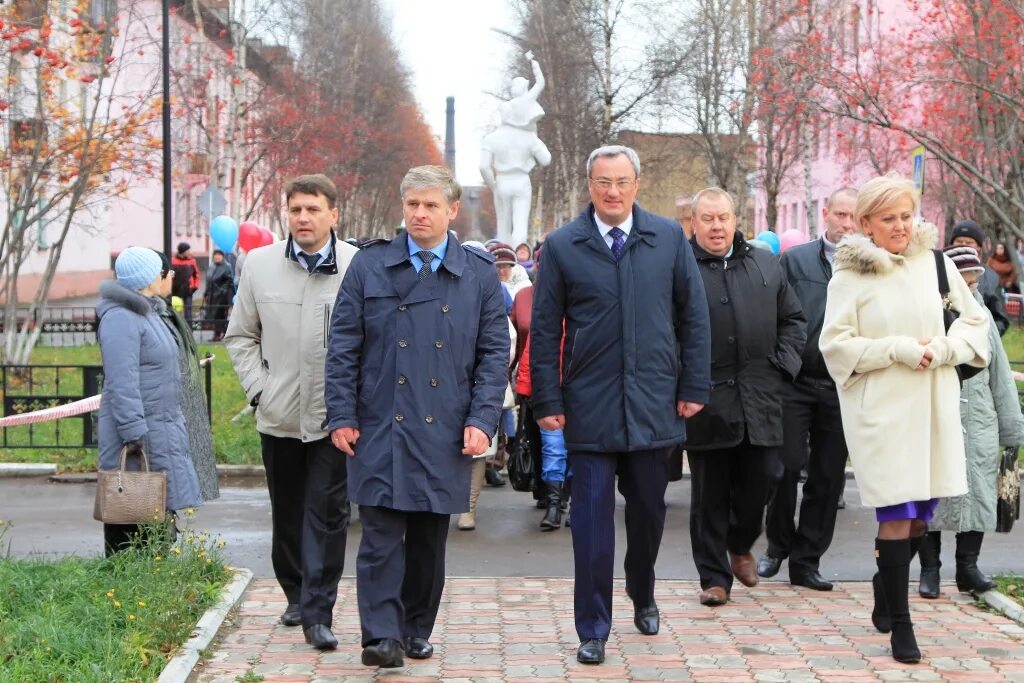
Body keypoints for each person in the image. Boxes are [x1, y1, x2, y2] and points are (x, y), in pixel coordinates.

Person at [530, 145, 711, 665]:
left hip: (655, 403)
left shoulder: (668, 238)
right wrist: (546, 397)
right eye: (603, 181)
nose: (613, 191)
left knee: (649, 514)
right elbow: (545, 330)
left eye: (622, 181)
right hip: (589, 405)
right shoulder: (564, 245)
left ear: (637, 184)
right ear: (590, 185)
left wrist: (693, 386)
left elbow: (693, 316)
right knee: (589, 523)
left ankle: (643, 587)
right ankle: (592, 627)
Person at [324, 165, 509, 669]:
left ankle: (415, 627)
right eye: (412, 205)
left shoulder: (477, 274)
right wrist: (340, 412)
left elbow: (494, 354)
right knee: (380, 535)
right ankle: (381, 636)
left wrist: (483, 419)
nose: (420, 214)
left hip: (446, 424)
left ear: (452, 211)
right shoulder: (369, 266)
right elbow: (343, 345)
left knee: (428, 537)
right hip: (380, 420)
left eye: (430, 205)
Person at [820, 175, 990, 663]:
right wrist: (894, 349)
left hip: (934, 407)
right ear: (867, 223)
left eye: (906, 215)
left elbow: (975, 323)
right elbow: (835, 346)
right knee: (896, 513)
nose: (899, 226)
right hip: (883, 413)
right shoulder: (850, 277)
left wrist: (942, 349)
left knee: (920, 517)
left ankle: (884, 584)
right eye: (888, 218)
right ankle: (901, 626)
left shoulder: (935, 263)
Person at [225, 174, 358, 651]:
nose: (303, 218)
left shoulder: (357, 266)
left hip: (335, 418)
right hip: (278, 414)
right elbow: (240, 335)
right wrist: (260, 391)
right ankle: (296, 592)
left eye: (313, 209)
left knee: (328, 513)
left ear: (333, 214)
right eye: (296, 209)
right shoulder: (259, 265)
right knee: (287, 512)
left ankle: (319, 608)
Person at [684, 187, 806, 606]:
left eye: (724, 217)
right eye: (708, 218)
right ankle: (714, 579)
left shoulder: (765, 263)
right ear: (694, 223)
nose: (717, 226)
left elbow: (793, 319)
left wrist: (782, 365)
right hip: (705, 397)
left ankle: (739, 544)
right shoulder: (679, 267)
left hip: (762, 392)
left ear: (737, 220)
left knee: (766, 478)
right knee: (709, 494)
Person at [758, 187, 858, 590]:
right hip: (796, 381)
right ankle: (777, 545)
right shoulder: (794, 261)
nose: (847, 224)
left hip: (843, 385)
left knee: (828, 477)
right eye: (841, 215)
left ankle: (807, 559)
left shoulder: (868, 267)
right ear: (825, 213)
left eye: (854, 217)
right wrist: (782, 362)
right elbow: (774, 314)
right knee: (783, 466)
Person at [919, 245, 1024, 598]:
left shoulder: (981, 316)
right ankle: (929, 571)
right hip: (936, 414)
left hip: (979, 418)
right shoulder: (927, 311)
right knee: (932, 491)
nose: (969, 281)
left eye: (974, 275)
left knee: (978, 492)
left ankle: (968, 567)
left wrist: (1011, 429)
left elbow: (1001, 376)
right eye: (962, 274)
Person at [96, 247, 202, 555]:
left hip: (161, 427)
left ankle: (154, 584)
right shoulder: (120, 318)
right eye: (160, 271)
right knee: (132, 515)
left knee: (158, 513)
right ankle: (130, 587)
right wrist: (133, 431)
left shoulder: (147, 312)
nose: (165, 276)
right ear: (146, 278)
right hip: (138, 437)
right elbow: (122, 380)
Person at [152, 250, 219, 504]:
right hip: (161, 420)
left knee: (173, 498)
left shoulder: (165, 311)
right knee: (154, 502)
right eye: (168, 274)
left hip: (176, 417)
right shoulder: (146, 316)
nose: (171, 278)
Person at [480, 55, 552, 247]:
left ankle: (503, 260)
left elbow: (483, 166)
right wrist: (538, 144)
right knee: (520, 225)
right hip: (521, 181)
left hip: (502, 181)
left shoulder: (492, 138)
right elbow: (545, 160)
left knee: (503, 225)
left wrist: (493, 184)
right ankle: (518, 262)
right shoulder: (528, 137)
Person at [947, 220, 1010, 335]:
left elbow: (1001, 319)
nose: (963, 245)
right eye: (959, 241)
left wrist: (983, 337)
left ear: (979, 247)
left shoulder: (990, 277)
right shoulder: (939, 271)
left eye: (969, 242)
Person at [205, 249, 235, 341]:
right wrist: (206, 293)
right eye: (215, 255)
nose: (217, 257)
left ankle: (220, 334)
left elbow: (230, 283)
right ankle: (219, 334)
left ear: (222, 257)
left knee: (220, 315)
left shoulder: (226, 267)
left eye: (219, 255)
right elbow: (209, 281)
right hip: (212, 296)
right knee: (214, 316)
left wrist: (228, 297)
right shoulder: (212, 266)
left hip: (222, 297)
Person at [171, 242, 201, 323]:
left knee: (188, 312)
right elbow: (171, 275)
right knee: (174, 310)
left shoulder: (192, 261)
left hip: (188, 290)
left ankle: (189, 330)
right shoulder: (173, 261)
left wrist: (195, 286)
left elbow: (196, 274)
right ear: (182, 251)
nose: (189, 252)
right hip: (175, 290)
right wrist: (170, 286)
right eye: (188, 250)